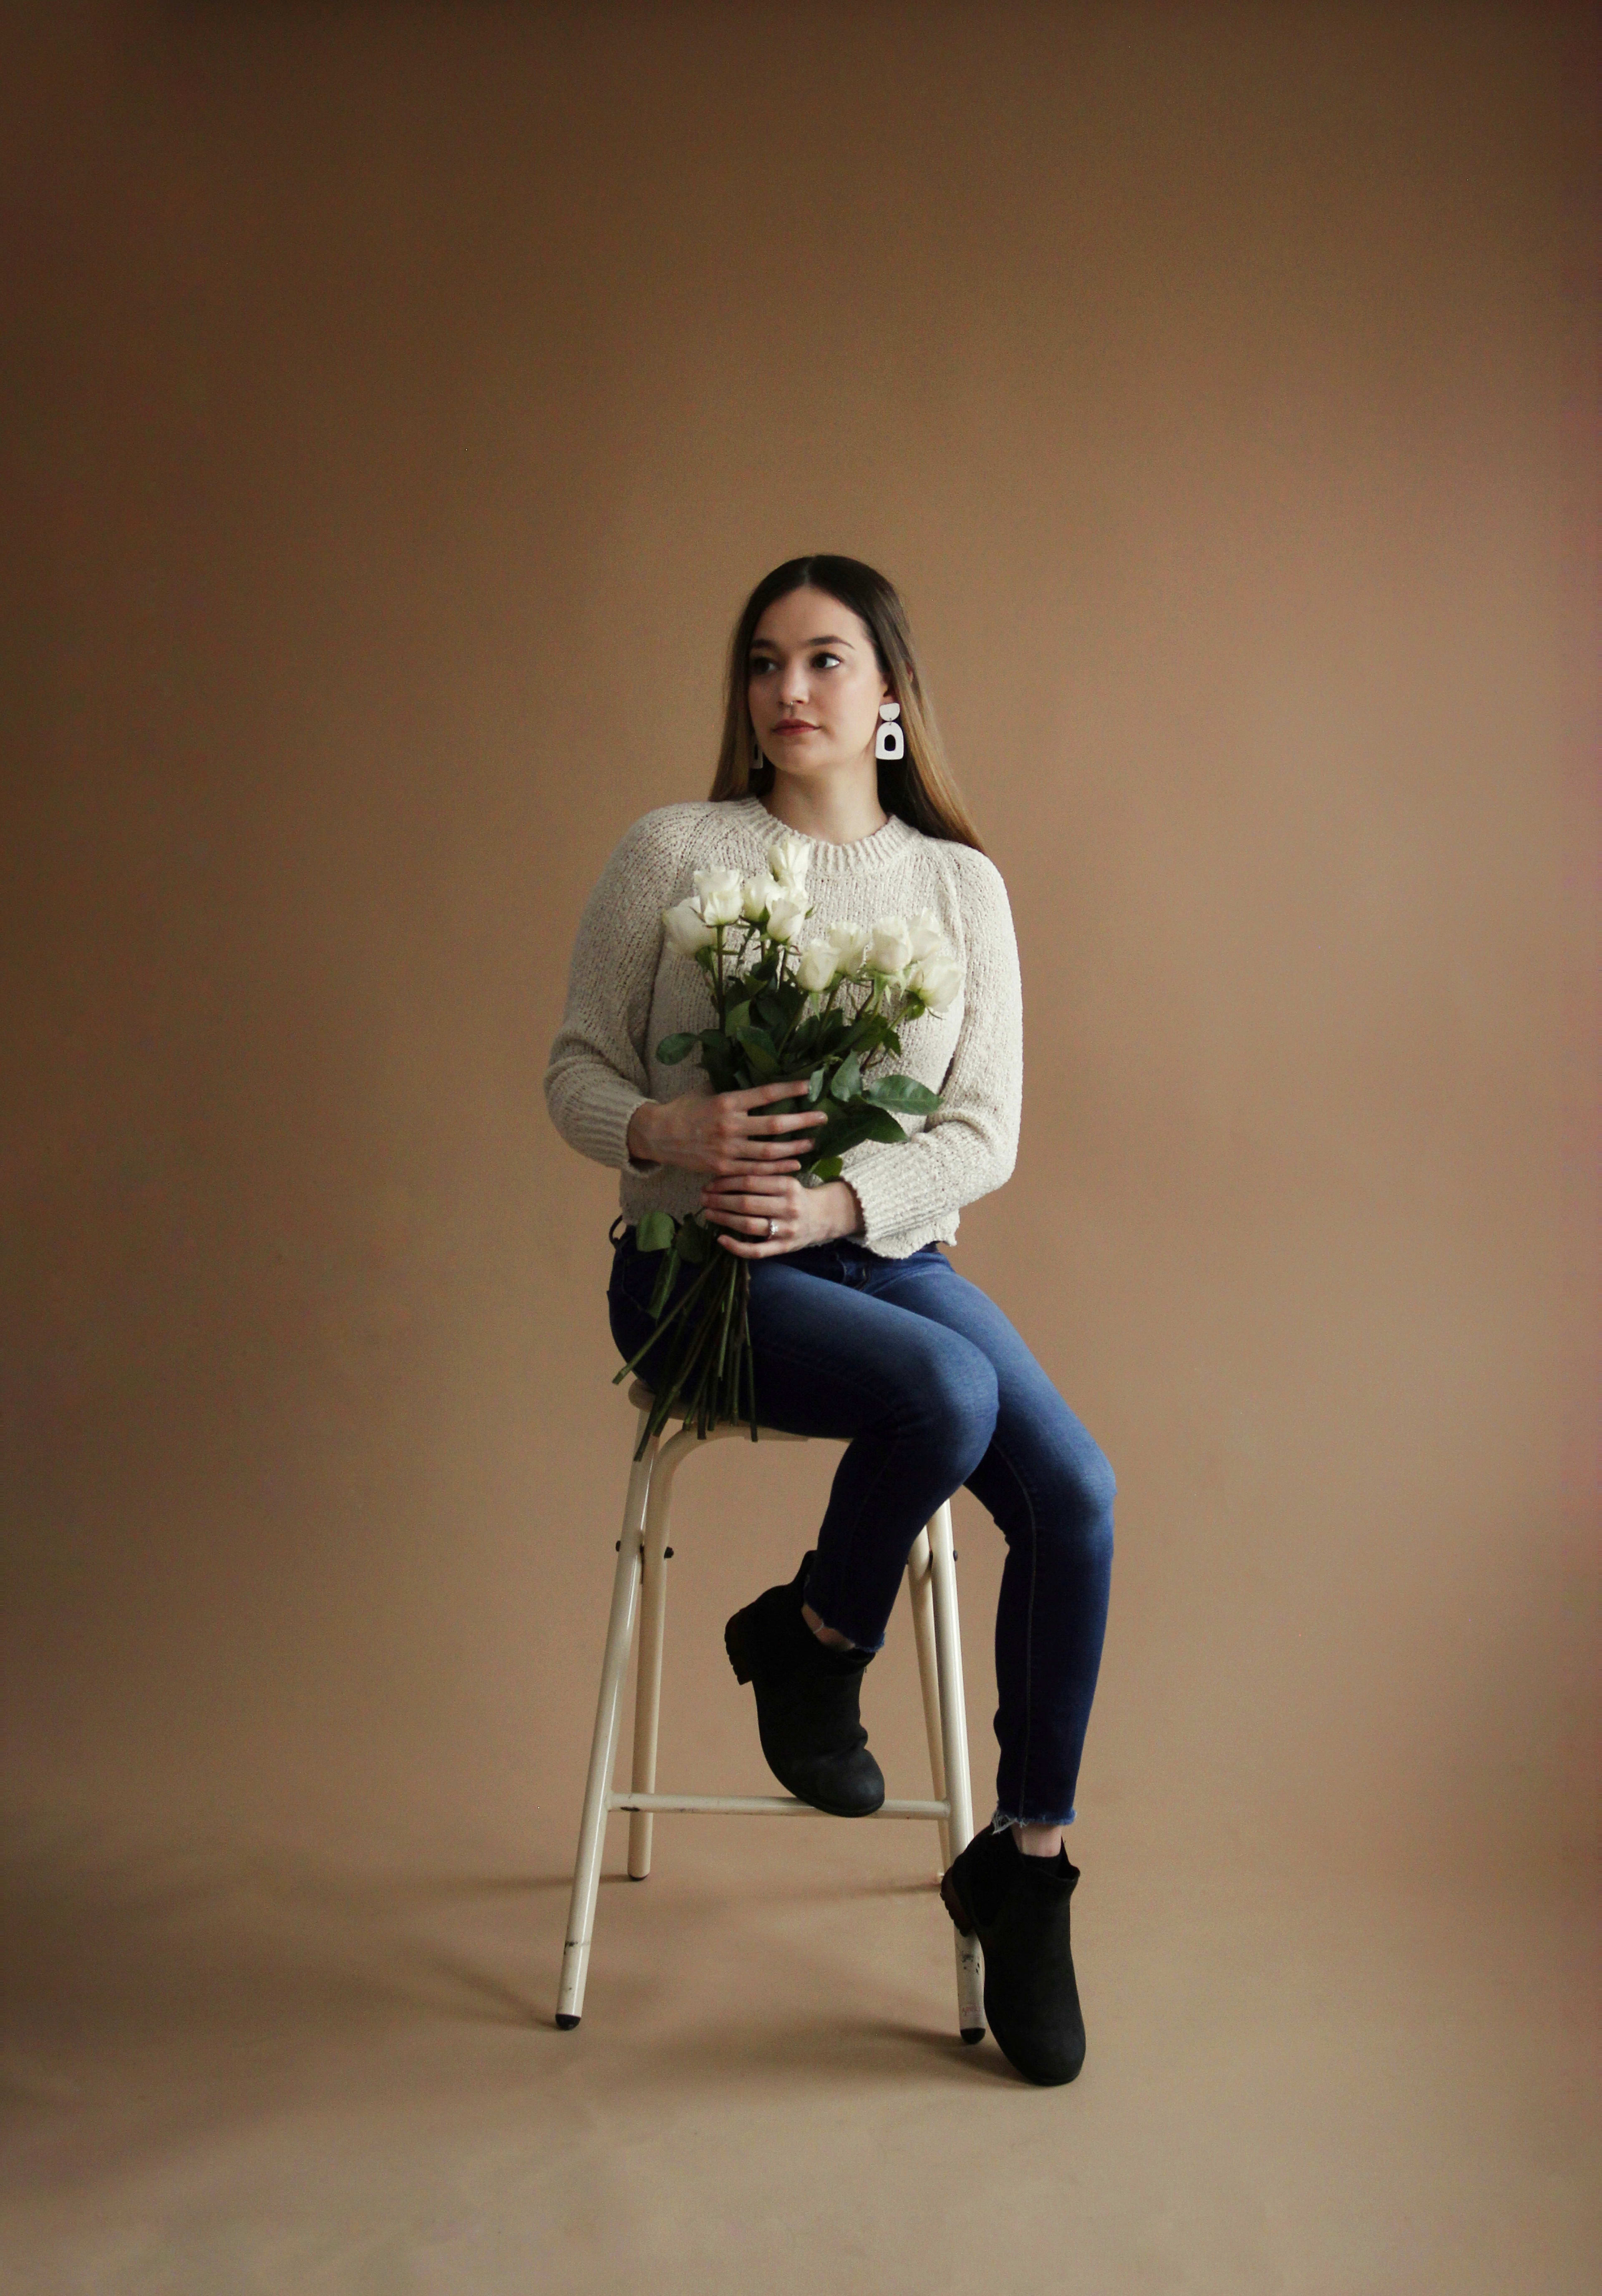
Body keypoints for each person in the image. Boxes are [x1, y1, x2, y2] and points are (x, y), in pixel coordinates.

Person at [544, 555, 1115, 2086]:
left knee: (1078, 1499)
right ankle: (814, 1643)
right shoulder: (673, 852)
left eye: (824, 661)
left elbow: (980, 1132)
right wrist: (675, 1131)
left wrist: (842, 1210)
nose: (787, 691)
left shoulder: (956, 883)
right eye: (762, 664)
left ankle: (1029, 1866)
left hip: (884, 1261)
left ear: (889, 699)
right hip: (693, 1273)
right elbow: (576, 1074)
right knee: (946, 1391)